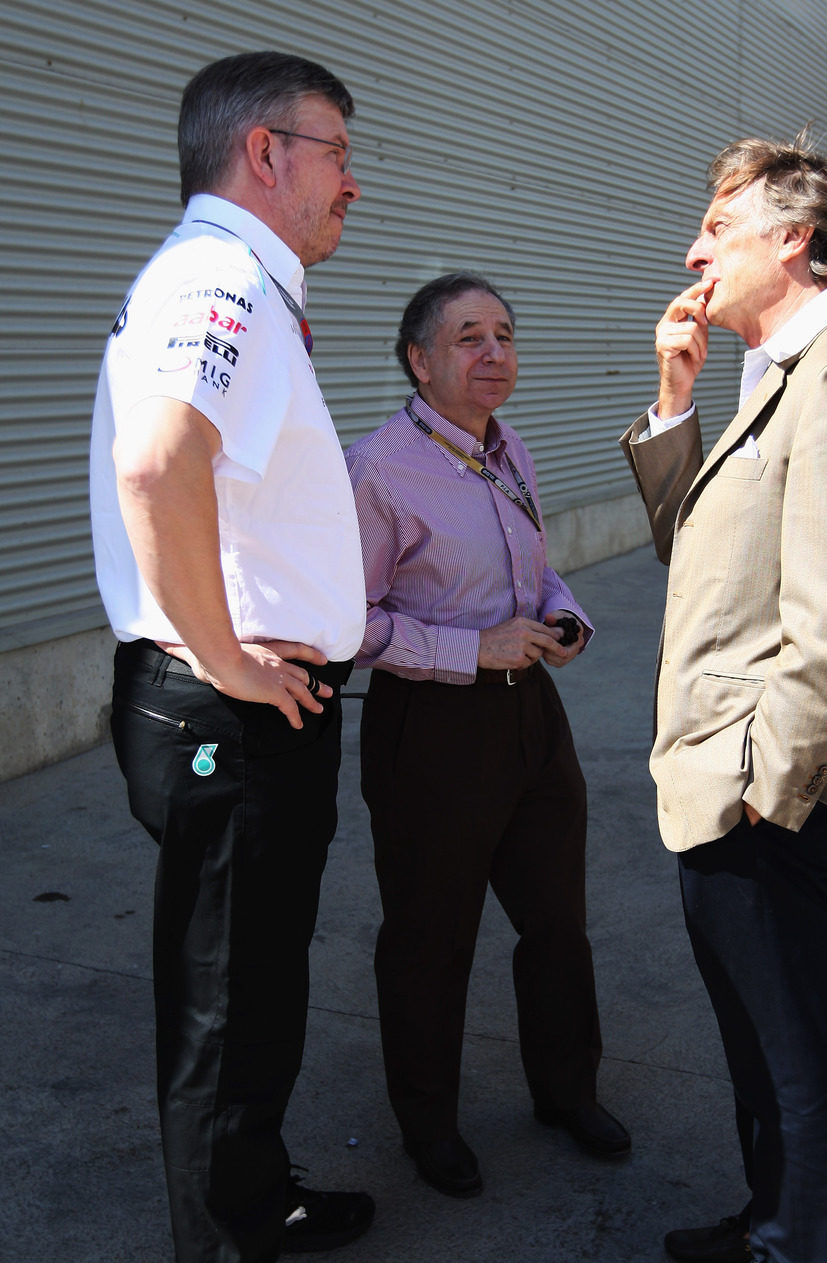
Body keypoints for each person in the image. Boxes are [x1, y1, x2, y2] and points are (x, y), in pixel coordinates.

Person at [89, 51, 375, 1263]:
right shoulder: (221, 279)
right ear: (264, 152)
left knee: (253, 996)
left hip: (247, 712)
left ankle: (255, 1198)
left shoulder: (241, 281)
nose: (349, 176)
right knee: (225, 1016)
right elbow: (158, 463)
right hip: (230, 717)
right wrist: (223, 655)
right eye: (333, 148)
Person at [619, 134, 827, 1263]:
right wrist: (676, 402)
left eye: (719, 227)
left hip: (763, 778)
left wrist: (770, 788)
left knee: (794, 1037)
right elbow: (696, 552)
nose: (695, 249)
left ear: (793, 241)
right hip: (718, 765)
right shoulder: (774, 366)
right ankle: (775, 1217)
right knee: (754, 1023)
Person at [347, 272, 631, 1198]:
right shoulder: (379, 469)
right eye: (468, 337)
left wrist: (565, 614)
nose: (493, 353)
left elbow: (539, 571)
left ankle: (565, 1092)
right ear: (418, 360)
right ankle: (427, 1125)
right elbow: (347, 623)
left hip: (528, 719)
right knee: (431, 937)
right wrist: (471, 649)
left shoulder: (508, 448)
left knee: (556, 921)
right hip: (431, 729)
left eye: (505, 334)